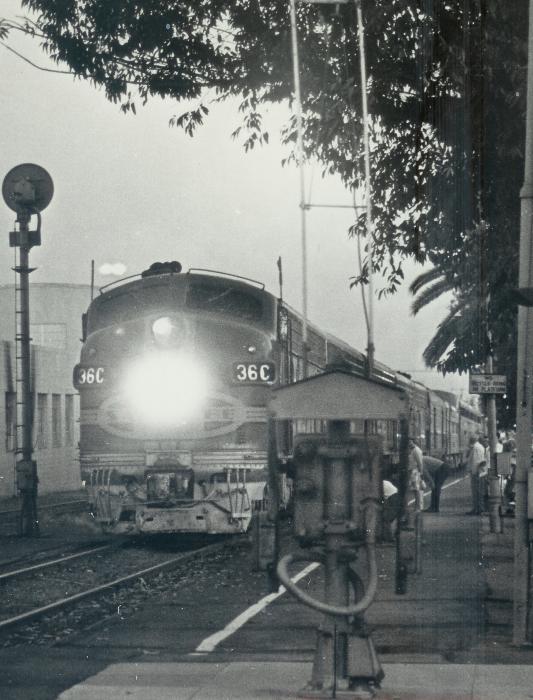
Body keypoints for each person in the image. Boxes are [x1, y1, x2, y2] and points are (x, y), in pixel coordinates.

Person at [403, 438, 424, 528]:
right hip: (412, 471)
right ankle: (417, 506)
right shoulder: (412, 450)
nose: (409, 443)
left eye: (410, 441)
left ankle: (418, 507)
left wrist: (420, 473)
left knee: (416, 489)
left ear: (413, 442)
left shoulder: (416, 450)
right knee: (415, 489)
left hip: (415, 472)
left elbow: (420, 462)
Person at [466, 435, 486, 515]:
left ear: (471, 440)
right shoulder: (479, 447)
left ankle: (477, 509)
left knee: (476, 492)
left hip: (477, 473)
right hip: (479, 472)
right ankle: (477, 508)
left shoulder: (476, 448)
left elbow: (475, 461)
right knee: (478, 491)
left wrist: (473, 473)